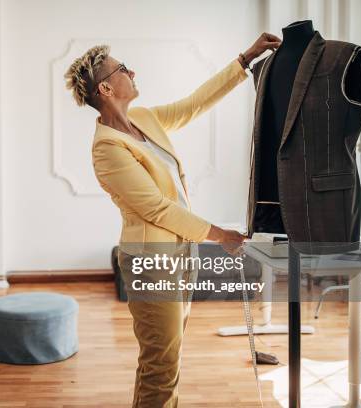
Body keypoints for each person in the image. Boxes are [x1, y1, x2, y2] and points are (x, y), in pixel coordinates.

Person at [64, 33, 281, 407]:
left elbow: (194, 104)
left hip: (182, 255)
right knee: (161, 363)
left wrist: (245, 59)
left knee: (165, 360)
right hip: (152, 264)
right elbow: (156, 208)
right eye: (121, 69)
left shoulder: (143, 120)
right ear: (106, 87)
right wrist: (219, 234)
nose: (131, 71)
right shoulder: (107, 148)